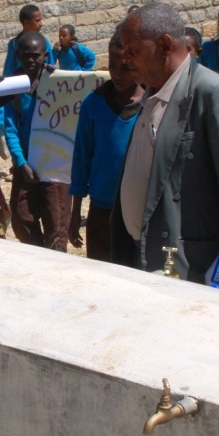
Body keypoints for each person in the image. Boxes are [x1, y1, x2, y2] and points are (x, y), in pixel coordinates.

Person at [109, 2, 219, 290]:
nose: (126, 60)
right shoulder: (151, 94)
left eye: (133, 51)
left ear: (164, 45)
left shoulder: (211, 93)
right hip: (138, 257)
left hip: (185, 267)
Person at [69, 29, 141, 262]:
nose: (117, 74)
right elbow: (82, 157)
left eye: (126, 68)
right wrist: (75, 211)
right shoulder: (94, 104)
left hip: (137, 212)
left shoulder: (151, 105)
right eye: (112, 65)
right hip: (101, 208)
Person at [0, 32, 71, 251]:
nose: (31, 60)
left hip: (54, 165)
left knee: (56, 222)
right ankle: (37, 254)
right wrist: (21, 163)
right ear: (18, 55)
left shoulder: (57, 82)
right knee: (22, 218)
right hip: (26, 164)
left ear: (46, 55)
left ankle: (56, 266)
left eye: (36, 55)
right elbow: (10, 129)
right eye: (25, 55)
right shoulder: (13, 87)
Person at [2, 4, 54, 77]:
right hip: (22, 85)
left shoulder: (44, 42)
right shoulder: (14, 44)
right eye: (37, 21)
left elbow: (51, 67)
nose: (41, 24)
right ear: (26, 22)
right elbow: (9, 72)